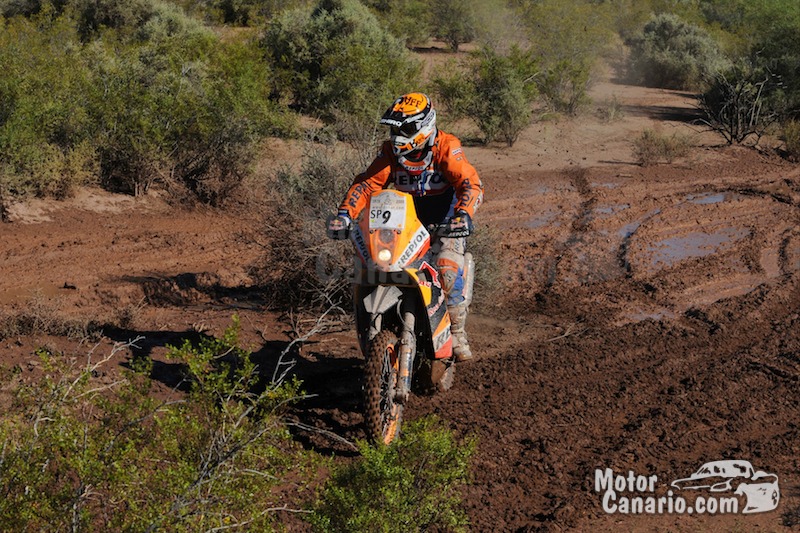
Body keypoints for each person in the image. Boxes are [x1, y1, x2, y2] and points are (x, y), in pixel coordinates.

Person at [326, 92, 484, 362]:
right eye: (394, 129)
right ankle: (373, 326)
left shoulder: (446, 146)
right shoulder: (391, 153)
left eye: (406, 129)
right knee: (372, 264)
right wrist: (345, 214)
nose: (398, 136)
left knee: (447, 264)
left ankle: (456, 332)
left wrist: (464, 215)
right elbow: (367, 185)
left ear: (425, 125)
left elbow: (469, 183)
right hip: (405, 224)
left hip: (445, 224)